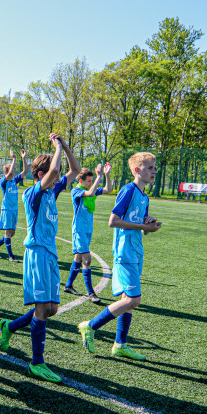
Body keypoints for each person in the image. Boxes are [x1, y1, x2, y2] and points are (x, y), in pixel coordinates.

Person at [0, 134, 81, 383]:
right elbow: (55, 168)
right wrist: (56, 147)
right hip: (36, 253)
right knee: (42, 308)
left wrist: (65, 147)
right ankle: (37, 362)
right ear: (40, 175)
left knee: (51, 309)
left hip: (51, 253)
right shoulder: (32, 194)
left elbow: (75, 170)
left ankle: (10, 327)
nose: (57, 177)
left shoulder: (52, 191)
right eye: (51, 175)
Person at [77, 153, 161, 360]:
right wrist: (142, 225)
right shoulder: (128, 191)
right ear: (136, 170)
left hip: (136, 250)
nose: (154, 171)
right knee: (134, 299)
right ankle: (91, 325)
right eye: (150, 168)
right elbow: (113, 221)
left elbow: (142, 229)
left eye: (154, 168)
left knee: (127, 299)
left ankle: (120, 344)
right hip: (124, 252)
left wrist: (149, 225)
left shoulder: (144, 196)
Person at [64, 163, 113, 303]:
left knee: (79, 258)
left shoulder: (89, 189)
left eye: (92, 181)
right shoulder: (76, 191)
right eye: (89, 181)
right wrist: (99, 177)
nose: (91, 183)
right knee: (87, 259)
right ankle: (91, 293)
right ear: (80, 181)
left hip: (87, 230)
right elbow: (90, 192)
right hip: (79, 230)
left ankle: (68, 285)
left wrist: (107, 175)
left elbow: (108, 189)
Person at [0, 149, 28, 262]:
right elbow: (9, 175)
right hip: (7, 209)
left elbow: (25, 171)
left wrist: (23, 158)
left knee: (11, 233)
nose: (13, 174)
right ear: (6, 173)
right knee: (8, 233)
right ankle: (11, 256)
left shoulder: (14, 180)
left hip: (14, 210)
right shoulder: (4, 182)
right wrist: (14, 159)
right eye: (11, 173)